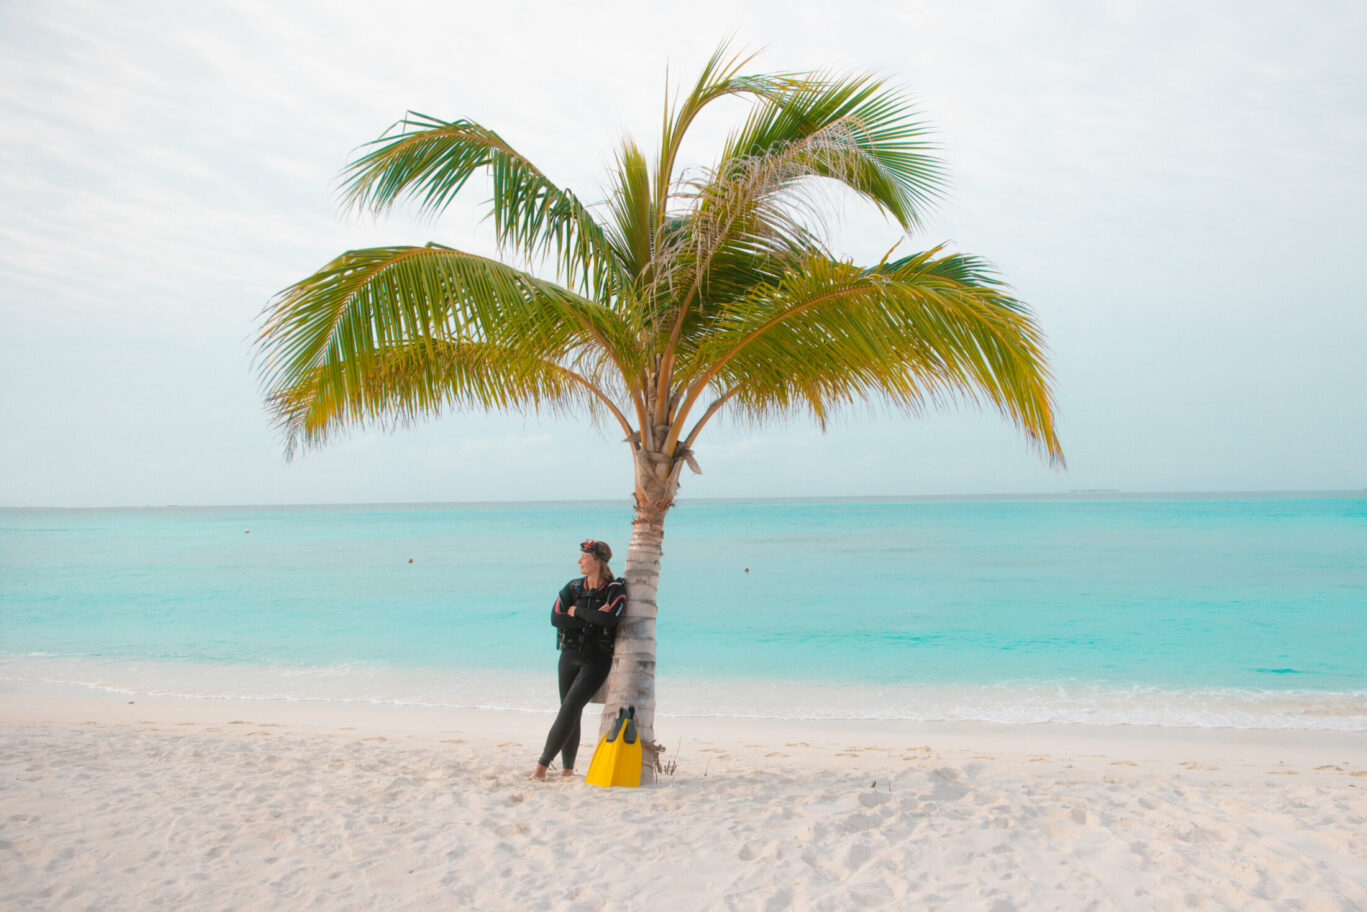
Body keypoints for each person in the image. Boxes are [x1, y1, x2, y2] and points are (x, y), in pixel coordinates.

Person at [530, 538, 627, 780]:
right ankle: (567, 769)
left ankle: (541, 768)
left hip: (597, 660)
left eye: (584, 557)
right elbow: (556, 619)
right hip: (569, 656)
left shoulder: (615, 589)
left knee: (571, 707)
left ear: (598, 561)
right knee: (569, 710)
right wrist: (592, 617)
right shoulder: (572, 587)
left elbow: (609, 620)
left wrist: (577, 611)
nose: (579, 561)